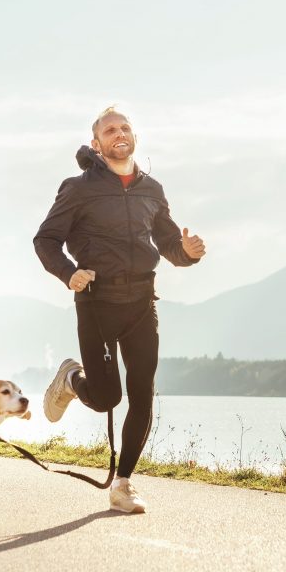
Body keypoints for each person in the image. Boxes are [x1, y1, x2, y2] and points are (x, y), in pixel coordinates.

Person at [34, 106, 206, 513]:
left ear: (134, 136)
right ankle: (73, 379)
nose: (119, 133)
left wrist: (186, 253)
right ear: (97, 144)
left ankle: (124, 485)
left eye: (125, 127)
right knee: (108, 396)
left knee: (142, 394)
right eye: (110, 129)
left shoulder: (152, 189)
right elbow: (45, 240)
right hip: (96, 301)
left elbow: (167, 243)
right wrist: (68, 273)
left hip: (142, 302)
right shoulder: (78, 189)